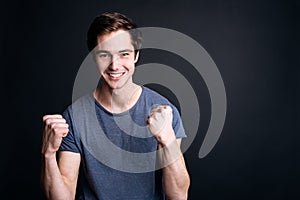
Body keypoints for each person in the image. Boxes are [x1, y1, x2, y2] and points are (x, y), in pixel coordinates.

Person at [41, 12, 190, 200]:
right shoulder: (75, 117)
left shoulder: (165, 112)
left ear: (136, 55)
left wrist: (167, 140)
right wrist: (48, 154)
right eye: (104, 55)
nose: (114, 65)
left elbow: (178, 196)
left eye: (124, 54)